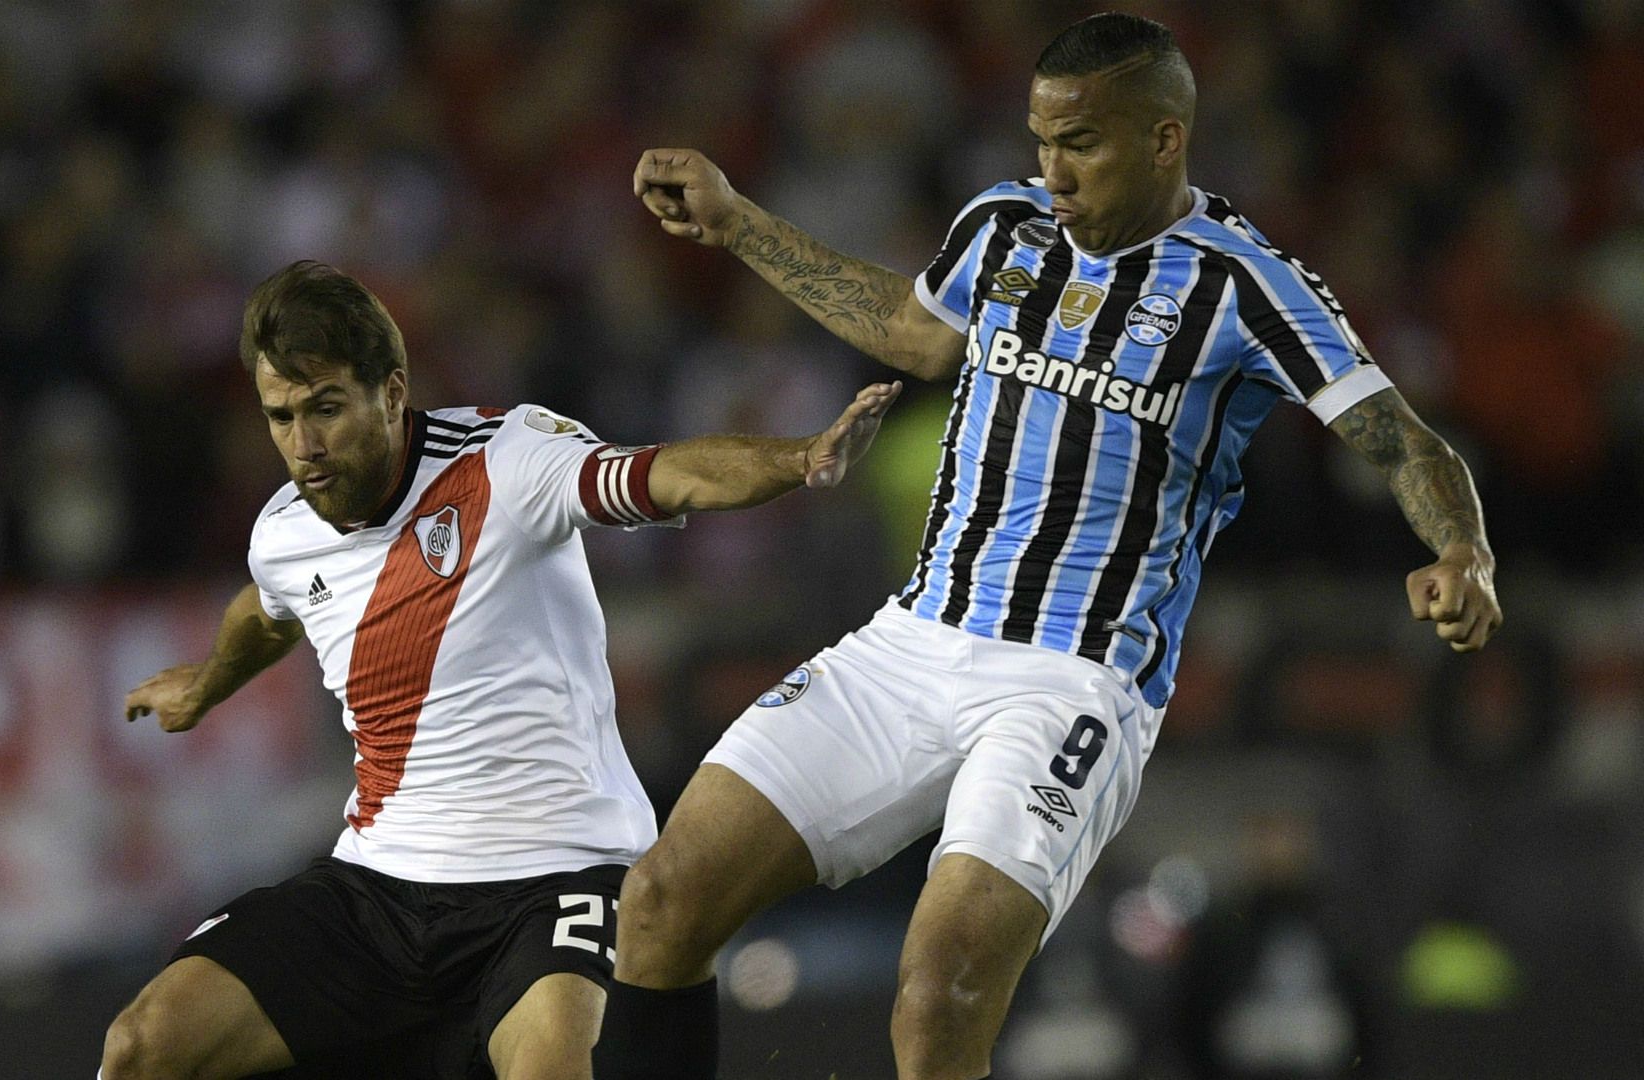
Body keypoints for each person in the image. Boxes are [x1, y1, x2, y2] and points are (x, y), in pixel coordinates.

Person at [595, 12, 1502, 1080]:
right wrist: (738, 222)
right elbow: (912, 333)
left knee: (940, 992)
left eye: (1080, 144)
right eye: (1040, 141)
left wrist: (1464, 551)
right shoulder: (1003, 225)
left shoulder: (1245, 285)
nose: (1052, 170)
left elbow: (1401, 439)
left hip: (1075, 682)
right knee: (660, 903)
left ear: (1163, 139)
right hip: (913, 640)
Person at [99, 259, 901, 1080]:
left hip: (559, 878)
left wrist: (801, 457)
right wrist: (205, 684)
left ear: (392, 392)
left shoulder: (507, 458)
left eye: (327, 408)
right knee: (142, 1047)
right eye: (282, 417)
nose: (304, 446)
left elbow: (666, 473)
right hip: (378, 889)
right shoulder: (284, 532)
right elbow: (266, 611)